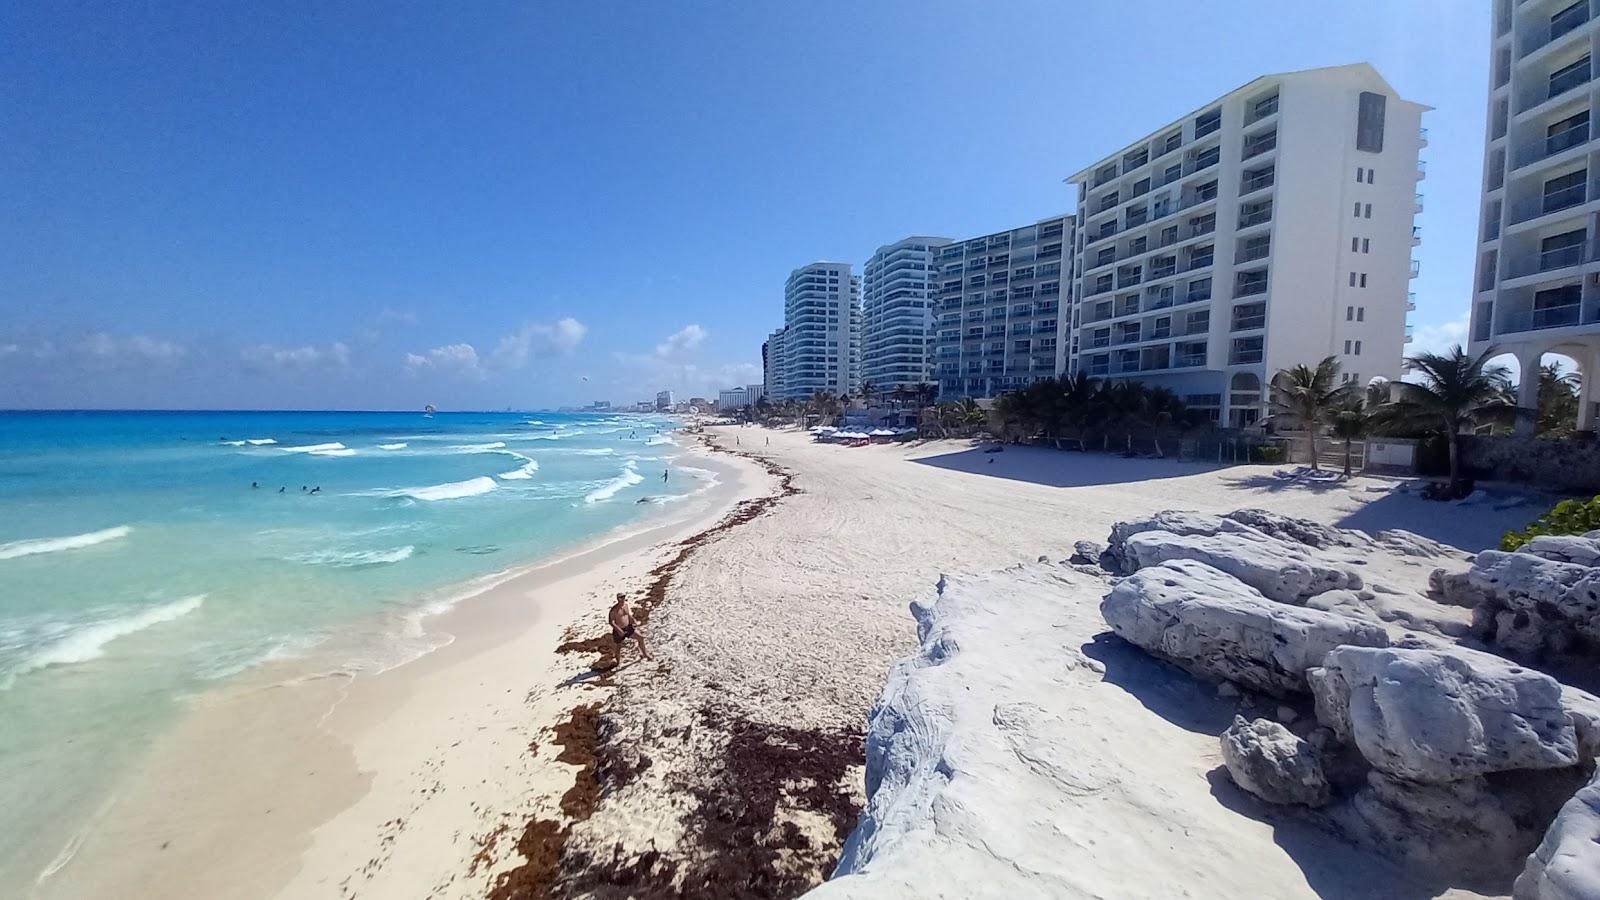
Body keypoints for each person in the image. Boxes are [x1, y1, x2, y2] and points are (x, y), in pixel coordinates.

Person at [609, 593, 649, 660]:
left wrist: (633, 620)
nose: (622, 599)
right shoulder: (614, 610)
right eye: (620, 598)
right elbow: (611, 622)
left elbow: (628, 615)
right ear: (617, 599)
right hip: (618, 630)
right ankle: (618, 662)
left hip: (627, 627)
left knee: (640, 638)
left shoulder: (626, 605)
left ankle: (644, 654)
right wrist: (619, 630)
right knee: (618, 647)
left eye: (623, 597)